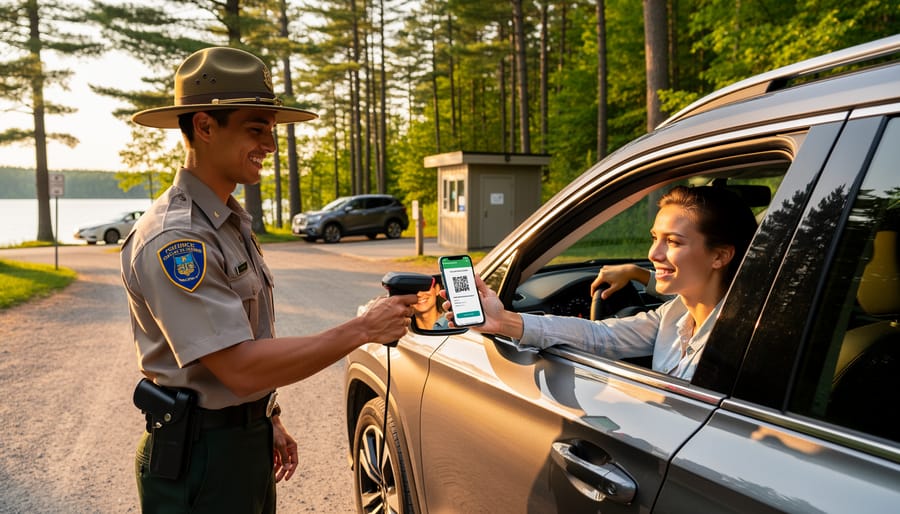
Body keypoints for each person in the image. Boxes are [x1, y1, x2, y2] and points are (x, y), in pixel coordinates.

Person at [120, 47, 418, 513]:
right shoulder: (177, 237)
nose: (272, 146)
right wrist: (362, 330)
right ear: (204, 126)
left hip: (240, 443)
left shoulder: (227, 221)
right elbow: (237, 367)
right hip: (202, 460)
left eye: (273, 131)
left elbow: (243, 340)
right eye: (256, 129)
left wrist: (267, 416)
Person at [445, 185, 758, 380]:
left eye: (673, 242)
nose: (653, 253)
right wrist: (502, 321)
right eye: (654, 238)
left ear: (719, 257)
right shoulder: (674, 314)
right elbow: (599, 336)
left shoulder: (746, 337)